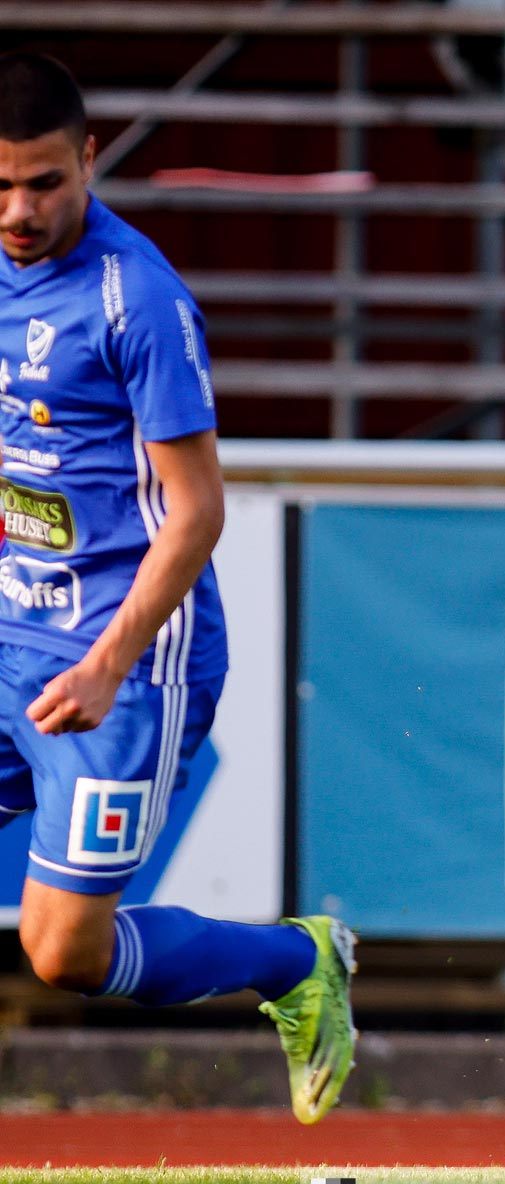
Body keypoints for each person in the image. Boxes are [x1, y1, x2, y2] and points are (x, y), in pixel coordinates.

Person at [0, 52, 355, 1123]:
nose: (20, 210)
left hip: (126, 662)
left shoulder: (138, 299)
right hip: (13, 624)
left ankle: (297, 962)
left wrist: (107, 663)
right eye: (0, 185)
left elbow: (197, 509)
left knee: (61, 950)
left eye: (46, 184)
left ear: (91, 160)